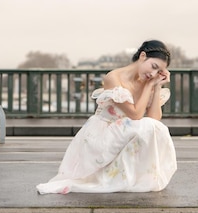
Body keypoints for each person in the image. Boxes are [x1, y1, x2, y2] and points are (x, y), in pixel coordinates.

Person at [36, 40, 177, 194]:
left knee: (157, 128)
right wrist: (149, 86)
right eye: (154, 66)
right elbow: (135, 115)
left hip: (124, 130)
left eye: (159, 72)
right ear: (143, 56)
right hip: (104, 132)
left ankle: (136, 177)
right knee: (146, 127)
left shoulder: (147, 82)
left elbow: (154, 120)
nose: (153, 74)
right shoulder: (114, 77)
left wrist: (156, 87)